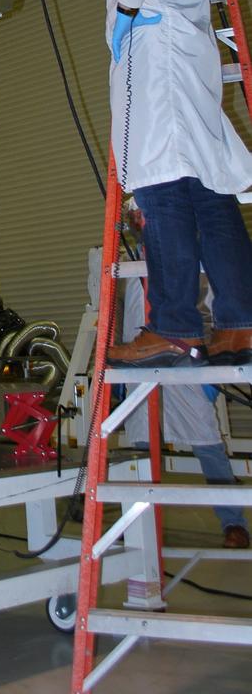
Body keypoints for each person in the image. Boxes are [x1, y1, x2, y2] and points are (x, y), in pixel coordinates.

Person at [0, 0, 252, 367]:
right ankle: (239, 321)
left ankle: (176, 326)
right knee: (206, 190)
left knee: (160, 189)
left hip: (159, 56)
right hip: (168, 55)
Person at [120, 198, 250, 550]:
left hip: (184, 360)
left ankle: (233, 522)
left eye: (142, 213)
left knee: (206, 439)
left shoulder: (190, 257)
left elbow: (215, 310)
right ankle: (139, 522)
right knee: (140, 444)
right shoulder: (131, 264)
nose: (139, 219)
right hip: (141, 362)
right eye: (135, 215)